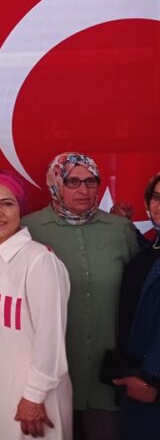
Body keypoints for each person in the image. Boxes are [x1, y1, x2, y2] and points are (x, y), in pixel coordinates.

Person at [21, 152, 139, 440]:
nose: (83, 190)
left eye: (90, 181)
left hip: (107, 377)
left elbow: (140, 296)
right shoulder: (29, 230)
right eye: (72, 181)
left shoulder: (119, 230)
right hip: (50, 377)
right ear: (55, 184)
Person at [0, 172, 72, 439]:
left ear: (20, 209)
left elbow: (50, 339)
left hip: (34, 400)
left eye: (7, 203)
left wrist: (33, 397)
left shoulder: (39, 261)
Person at [111, 172, 160, 440]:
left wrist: (151, 378)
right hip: (137, 379)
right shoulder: (153, 247)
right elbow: (148, 263)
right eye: (157, 197)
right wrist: (126, 227)